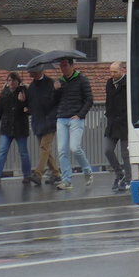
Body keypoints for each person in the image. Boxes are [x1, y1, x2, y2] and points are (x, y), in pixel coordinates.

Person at [54, 56, 94, 190]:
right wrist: (56, 90)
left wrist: (80, 115)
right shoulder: (60, 81)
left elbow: (89, 99)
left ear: (72, 66)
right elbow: (54, 101)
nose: (63, 68)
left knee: (75, 147)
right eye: (61, 66)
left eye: (65, 65)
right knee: (62, 151)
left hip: (76, 118)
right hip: (61, 118)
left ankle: (87, 171)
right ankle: (66, 180)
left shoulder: (82, 79)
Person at [0, 72, 36, 185]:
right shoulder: (4, 92)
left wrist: (22, 102)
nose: (11, 83)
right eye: (9, 80)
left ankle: (27, 175)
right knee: (2, 151)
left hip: (20, 127)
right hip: (6, 127)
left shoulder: (24, 91)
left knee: (23, 152)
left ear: (18, 81)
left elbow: (29, 110)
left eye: (14, 81)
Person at [26, 65, 61, 185]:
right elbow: (31, 104)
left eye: (33, 72)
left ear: (41, 71)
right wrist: (24, 104)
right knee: (46, 150)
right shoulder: (31, 87)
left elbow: (57, 101)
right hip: (38, 122)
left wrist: (57, 90)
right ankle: (56, 174)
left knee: (44, 148)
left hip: (50, 121)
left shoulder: (51, 83)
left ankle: (38, 174)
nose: (31, 74)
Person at [103, 61, 131, 192]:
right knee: (108, 150)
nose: (112, 74)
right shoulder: (109, 83)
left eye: (115, 72)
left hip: (125, 123)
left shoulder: (128, 83)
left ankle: (128, 179)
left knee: (125, 153)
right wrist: (108, 115)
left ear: (122, 70)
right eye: (111, 71)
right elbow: (108, 101)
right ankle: (119, 173)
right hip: (112, 123)